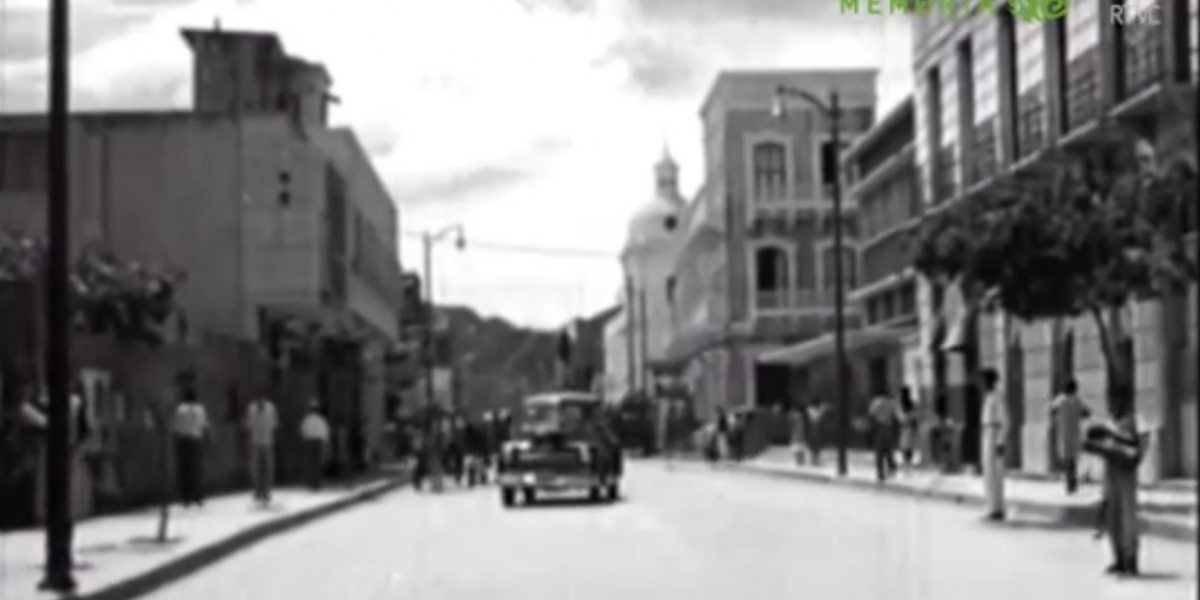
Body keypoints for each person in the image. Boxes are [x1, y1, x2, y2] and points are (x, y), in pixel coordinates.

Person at [1084, 396, 1149, 576]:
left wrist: (1136, 458)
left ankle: (1131, 561)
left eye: (1118, 402)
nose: (1114, 405)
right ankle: (1119, 559)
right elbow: (1103, 444)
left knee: (1128, 516)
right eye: (1113, 402)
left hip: (1126, 474)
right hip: (1111, 473)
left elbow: (1143, 443)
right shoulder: (1110, 422)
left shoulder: (1137, 420)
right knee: (1113, 517)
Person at [1050, 379, 1091, 494]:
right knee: (1072, 459)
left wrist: (1057, 418)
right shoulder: (1076, 401)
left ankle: (1071, 483)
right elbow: (1087, 412)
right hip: (1074, 432)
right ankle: (1072, 483)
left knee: (1069, 460)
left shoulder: (1060, 400)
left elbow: (1052, 410)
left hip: (1064, 432)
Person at [172, 383, 209, 506]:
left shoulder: (180, 409)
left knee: (184, 470)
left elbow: (176, 427)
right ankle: (197, 496)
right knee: (197, 470)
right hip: (196, 440)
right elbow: (203, 425)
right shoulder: (200, 409)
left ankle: (185, 497)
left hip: (183, 441)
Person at [980, 368, 1008, 521]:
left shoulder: (998, 395)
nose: (982, 383)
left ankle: (997, 508)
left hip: (994, 433)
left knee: (996, 473)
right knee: (988, 473)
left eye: (984, 379)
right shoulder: (989, 395)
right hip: (987, 432)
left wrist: (1000, 440)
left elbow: (1004, 419)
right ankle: (992, 506)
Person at [244, 393, 278, 506]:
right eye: (259, 401)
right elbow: (248, 424)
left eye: (262, 401)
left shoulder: (271, 408)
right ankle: (258, 490)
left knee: (268, 468)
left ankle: (266, 491)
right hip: (255, 442)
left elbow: (274, 423)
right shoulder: (251, 408)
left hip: (267, 441)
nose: (260, 403)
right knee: (255, 468)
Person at [868, 392, 900, 481]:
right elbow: (896, 416)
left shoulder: (876, 402)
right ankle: (892, 467)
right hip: (889, 428)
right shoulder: (892, 403)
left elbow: (871, 413)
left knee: (879, 452)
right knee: (889, 450)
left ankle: (880, 473)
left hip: (879, 428)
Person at [300, 402, 330, 490]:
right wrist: (326, 442)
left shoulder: (306, 420)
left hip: (309, 442)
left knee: (309, 463)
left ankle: (310, 482)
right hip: (318, 442)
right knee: (317, 463)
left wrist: (304, 439)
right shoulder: (321, 420)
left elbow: (303, 430)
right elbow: (325, 431)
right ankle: (316, 483)